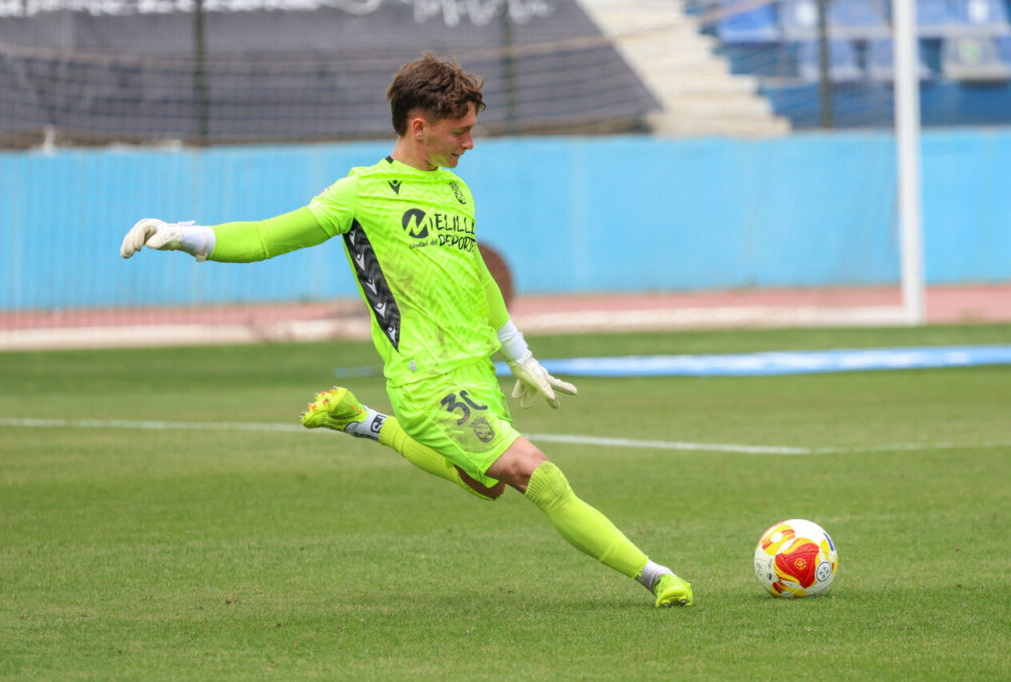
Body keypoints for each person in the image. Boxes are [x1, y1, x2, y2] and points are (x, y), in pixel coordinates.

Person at [120, 52, 693, 608]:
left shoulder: (456, 191)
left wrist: (520, 355)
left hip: (473, 368)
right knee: (535, 474)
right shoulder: (360, 192)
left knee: (488, 483)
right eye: (460, 131)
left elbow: (479, 280)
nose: (470, 142)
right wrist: (183, 236)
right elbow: (270, 237)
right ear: (419, 127)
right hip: (424, 377)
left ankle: (363, 420)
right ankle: (655, 576)